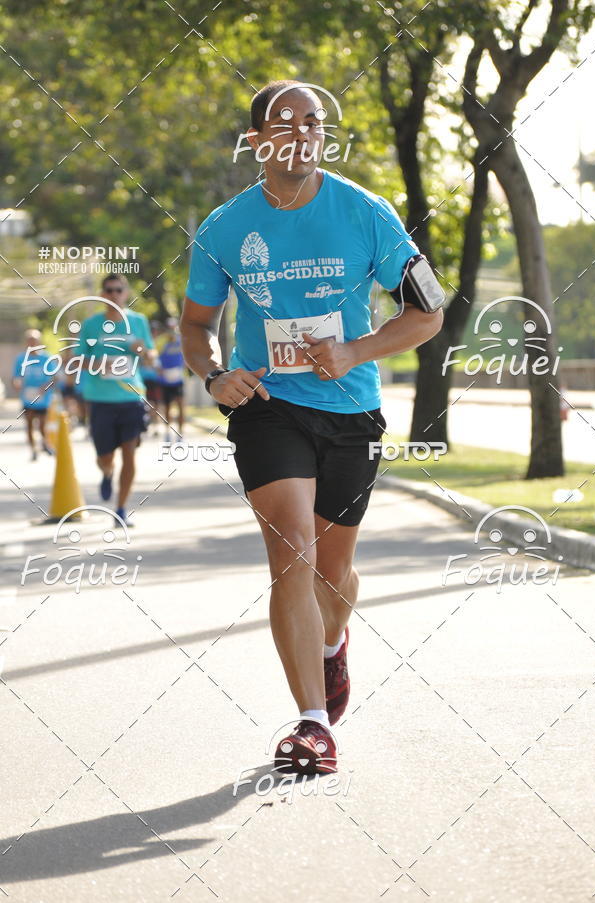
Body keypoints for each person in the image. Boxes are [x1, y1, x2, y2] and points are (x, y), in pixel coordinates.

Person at [180, 80, 443, 773]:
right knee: (291, 548)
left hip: (350, 411)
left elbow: (429, 312)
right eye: (284, 121)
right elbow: (197, 325)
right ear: (258, 140)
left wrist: (355, 350)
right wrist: (214, 375)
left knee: (334, 572)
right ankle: (312, 724)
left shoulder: (366, 212)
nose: (301, 131)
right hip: (267, 407)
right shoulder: (225, 227)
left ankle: (332, 645)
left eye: (313, 121)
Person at [76, 274, 156, 525]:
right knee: (105, 457)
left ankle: (121, 508)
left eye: (118, 290)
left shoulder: (138, 321)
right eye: (109, 290)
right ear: (102, 294)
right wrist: (98, 363)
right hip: (100, 399)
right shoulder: (90, 325)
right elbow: (78, 359)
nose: (114, 294)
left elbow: (151, 356)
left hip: (131, 397)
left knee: (130, 454)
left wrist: (141, 350)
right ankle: (107, 472)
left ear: (126, 293)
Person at [12, 328, 54, 460]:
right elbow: (16, 376)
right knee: (29, 423)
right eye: (30, 341)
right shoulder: (21, 358)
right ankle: (33, 449)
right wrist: (17, 383)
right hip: (28, 396)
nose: (32, 344)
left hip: (43, 396)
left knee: (42, 424)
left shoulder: (46, 357)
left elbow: (54, 378)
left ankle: (45, 443)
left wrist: (45, 387)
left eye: (34, 341)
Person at [158, 317, 186, 441]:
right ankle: (168, 433)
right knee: (168, 407)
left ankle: (180, 434)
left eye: (173, 327)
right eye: (169, 328)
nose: (172, 330)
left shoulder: (182, 341)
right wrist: (158, 368)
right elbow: (153, 356)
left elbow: (188, 356)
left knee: (180, 405)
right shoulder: (161, 341)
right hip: (165, 379)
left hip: (179, 378)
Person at [141, 321, 164, 435]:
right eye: (152, 331)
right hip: (142, 379)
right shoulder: (143, 344)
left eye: (155, 331)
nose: (154, 333)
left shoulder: (158, 344)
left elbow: (158, 365)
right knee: (144, 403)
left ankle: (155, 427)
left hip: (154, 380)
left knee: (155, 404)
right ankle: (145, 425)